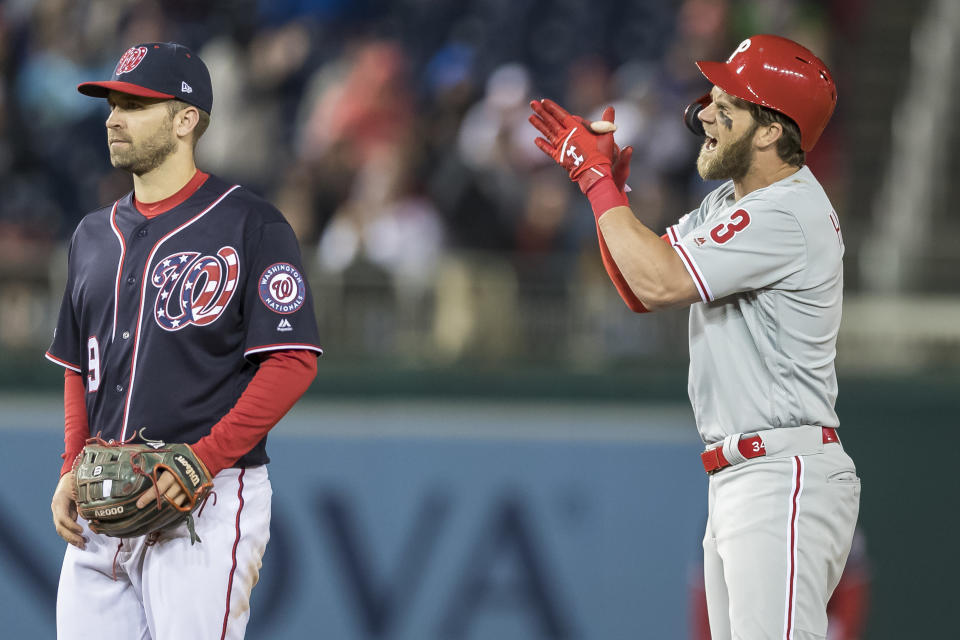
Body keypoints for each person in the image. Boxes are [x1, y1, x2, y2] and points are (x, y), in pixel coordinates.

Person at [530, 34, 860, 639]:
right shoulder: (733, 202)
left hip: (780, 473)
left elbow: (656, 282)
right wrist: (612, 197)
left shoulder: (785, 211)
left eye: (725, 105)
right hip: (745, 476)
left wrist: (596, 184)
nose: (702, 113)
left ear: (768, 132)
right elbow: (638, 288)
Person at [46, 42, 322, 639]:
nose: (114, 118)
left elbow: (292, 361)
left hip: (207, 499)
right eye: (112, 103)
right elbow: (78, 366)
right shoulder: (92, 234)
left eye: (135, 105)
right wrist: (70, 466)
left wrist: (206, 456)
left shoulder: (251, 223)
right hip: (100, 501)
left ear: (185, 119)